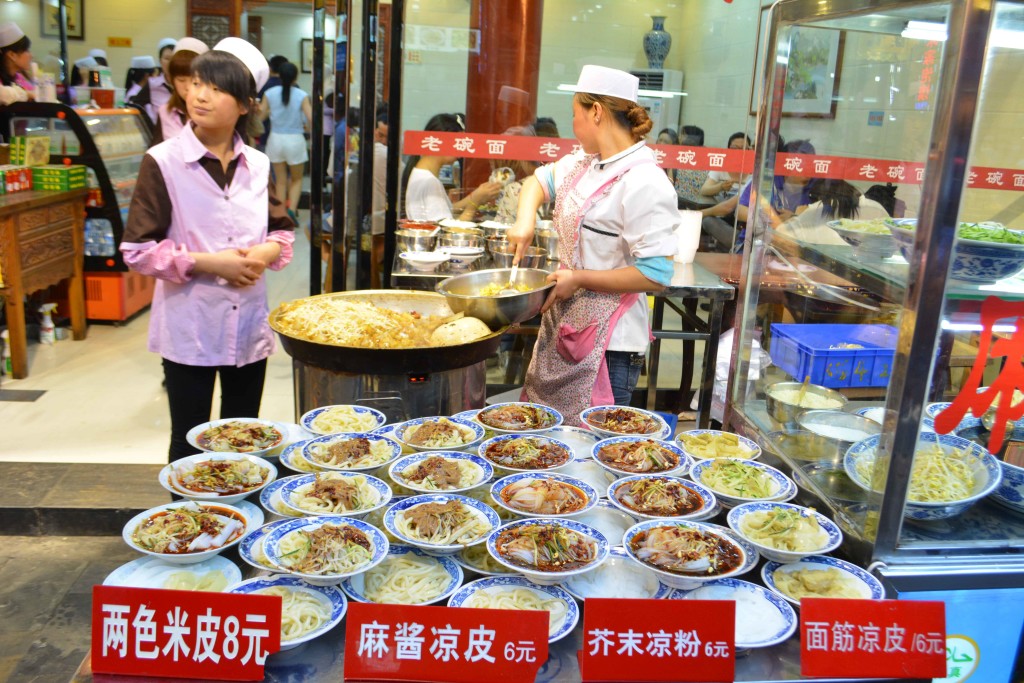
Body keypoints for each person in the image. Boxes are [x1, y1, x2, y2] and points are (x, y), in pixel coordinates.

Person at [120, 37, 295, 462]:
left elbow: (282, 231)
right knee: (190, 439)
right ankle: (187, 526)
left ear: (244, 104)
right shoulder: (162, 161)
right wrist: (208, 263)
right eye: (197, 82)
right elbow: (137, 249)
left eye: (217, 88)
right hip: (190, 326)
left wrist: (264, 255)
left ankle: (238, 525)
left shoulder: (258, 164)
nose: (200, 95)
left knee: (242, 438)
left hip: (248, 325)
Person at [506, 65, 678, 418]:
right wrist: (524, 223)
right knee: (544, 446)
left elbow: (656, 274)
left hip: (609, 349)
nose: (573, 125)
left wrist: (580, 278)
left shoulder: (645, 181)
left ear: (596, 111)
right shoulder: (583, 163)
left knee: (591, 452)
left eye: (575, 115)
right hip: (563, 327)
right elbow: (536, 183)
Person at [401, 113, 502, 222]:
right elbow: (448, 230)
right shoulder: (430, 182)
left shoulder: (420, 172)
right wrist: (475, 202)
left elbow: (446, 210)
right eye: (458, 144)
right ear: (441, 142)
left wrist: (477, 195)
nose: (461, 151)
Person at [260, 61, 311, 221]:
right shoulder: (301, 95)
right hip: (295, 140)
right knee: (296, 179)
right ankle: (292, 210)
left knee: (280, 180)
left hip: (275, 139)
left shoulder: (269, 93)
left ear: (279, 76)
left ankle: (281, 213)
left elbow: (260, 117)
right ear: (295, 76)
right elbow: (310, 118)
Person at [775, 178, 890, 244]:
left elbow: (781, 234)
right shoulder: (874, 207)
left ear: (822, 198)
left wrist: (796, 217)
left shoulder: (819, 208)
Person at [152, 38, 208, 145]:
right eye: (181, 80)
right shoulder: (165, 112)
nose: (187, 87)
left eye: (194, 81)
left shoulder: (213, 112)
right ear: (172, 80)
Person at [131, 38, 181, 124]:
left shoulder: (184, 84)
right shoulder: (152, 84)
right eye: (167, 58)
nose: (170, 63)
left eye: (174, 59)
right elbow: (134, 106)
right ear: (160, 61)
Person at [700, 132, 752, 201]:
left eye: (744, 149)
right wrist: (720, 187)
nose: (739, 152)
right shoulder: (721, 167)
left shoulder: (754, 172)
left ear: (749, 151)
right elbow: (704, 190)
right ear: (728, 150)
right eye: (734, 148)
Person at [0, 22, 34, 105]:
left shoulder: (18, 78)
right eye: (26, 50)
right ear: (12, 55)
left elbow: (35, 94)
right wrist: (26, 94)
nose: (31, 55)